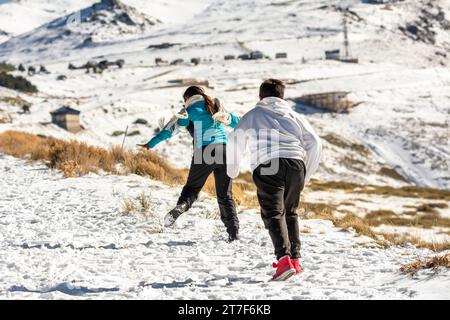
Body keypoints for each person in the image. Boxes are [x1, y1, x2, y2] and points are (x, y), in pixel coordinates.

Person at [226, 79, 322, 280]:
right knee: (290, 212)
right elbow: (314, 142)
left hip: (269, 164)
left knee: (273, 213)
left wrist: (232, 171)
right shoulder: (295, 116)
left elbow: (235, 141)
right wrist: (306, 174)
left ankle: (284, 261)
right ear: (281, 96)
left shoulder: (253, 115)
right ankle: (295, 260)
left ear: (261, 96)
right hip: (296, 164)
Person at [138, 86, 241, 242]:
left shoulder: (187, 111)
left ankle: (181, 207)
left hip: (204, 152)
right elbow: (236, 122)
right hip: (224, 151)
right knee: (225, 195)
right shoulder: (214, 105)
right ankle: (234, 233)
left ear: (187, 99)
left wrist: (149, 144)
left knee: (192, 188)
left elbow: (168, 131)